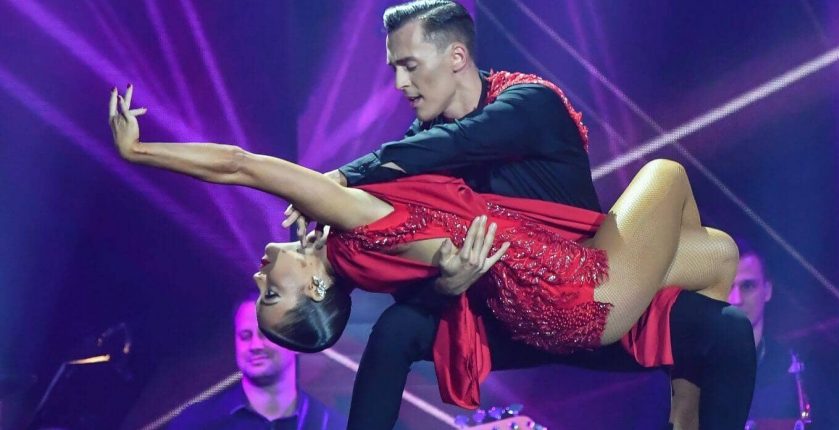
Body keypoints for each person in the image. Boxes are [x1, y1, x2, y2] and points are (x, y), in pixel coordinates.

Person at [108, 77, 739, 429]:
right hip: (585, 290)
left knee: (718, 257)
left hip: (566, 300)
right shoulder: (352, 227)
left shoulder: (361, 257)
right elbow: (240, 165)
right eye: (273, 291)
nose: (258, 274)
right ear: (318, 287)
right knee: (665, 173)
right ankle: (683, 406)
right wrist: (141, 152)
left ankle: (685, 407)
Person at [284, 1, 755, 429]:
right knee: (396, 328)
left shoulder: (529, 103)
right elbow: (403, 252)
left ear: (456, 57)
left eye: (409, 66)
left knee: (726, 312)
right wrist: (446, 284)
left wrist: (337, 178)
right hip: (504, 319)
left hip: (586, 301)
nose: (399, 84)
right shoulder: (420, 145)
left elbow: (460, 142)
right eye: (395, 69)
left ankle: (684, 414)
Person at [166, 292, 345, 430]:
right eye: (245, 336)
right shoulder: (196, 423)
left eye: (266, 334)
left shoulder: (332, 425)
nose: (255, 345)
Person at [728, 240, 805, 427]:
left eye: (747, 286)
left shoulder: (795, 371)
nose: (736, 299)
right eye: (727, 287)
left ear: (767, 291)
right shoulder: (686, 373)